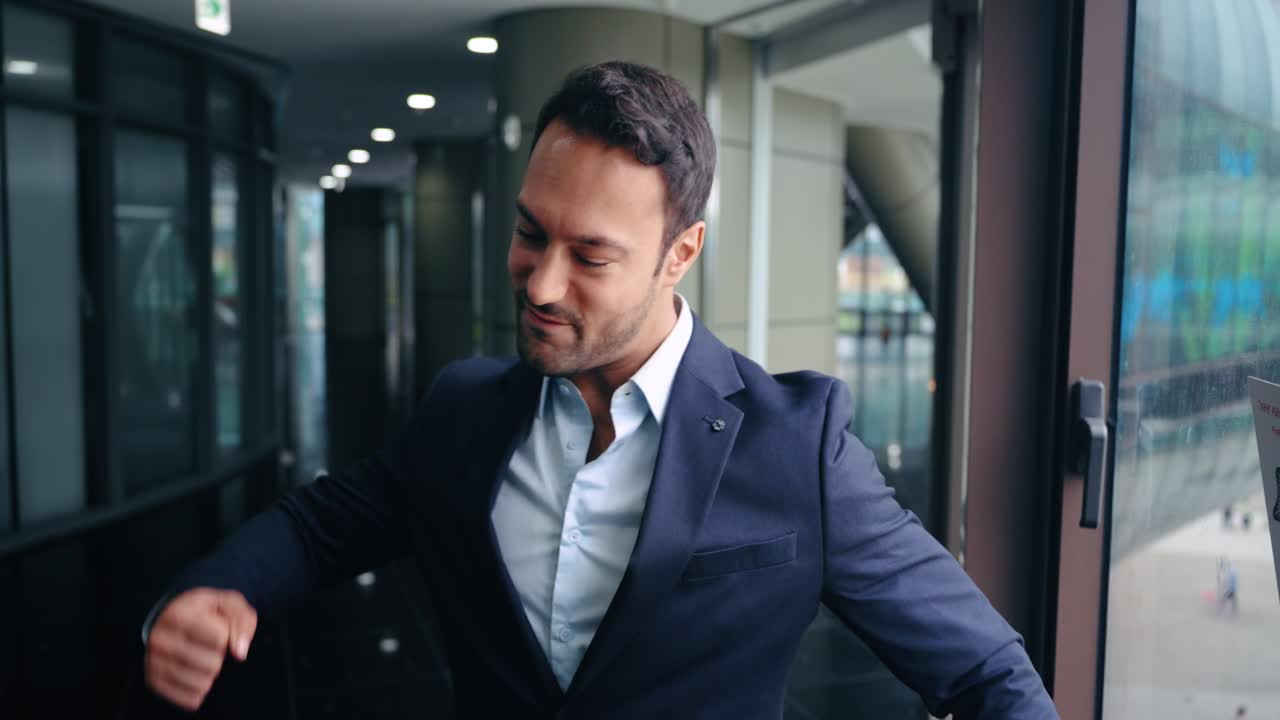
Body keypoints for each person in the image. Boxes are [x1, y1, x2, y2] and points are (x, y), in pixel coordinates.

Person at [142, 61, 1058, 719]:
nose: (539, 283)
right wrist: (215, 589)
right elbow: (314, 528)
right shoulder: (463, 411)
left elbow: (984, 674)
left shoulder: (795, 445)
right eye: (531, 233)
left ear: (680, 254)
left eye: (590, 255)